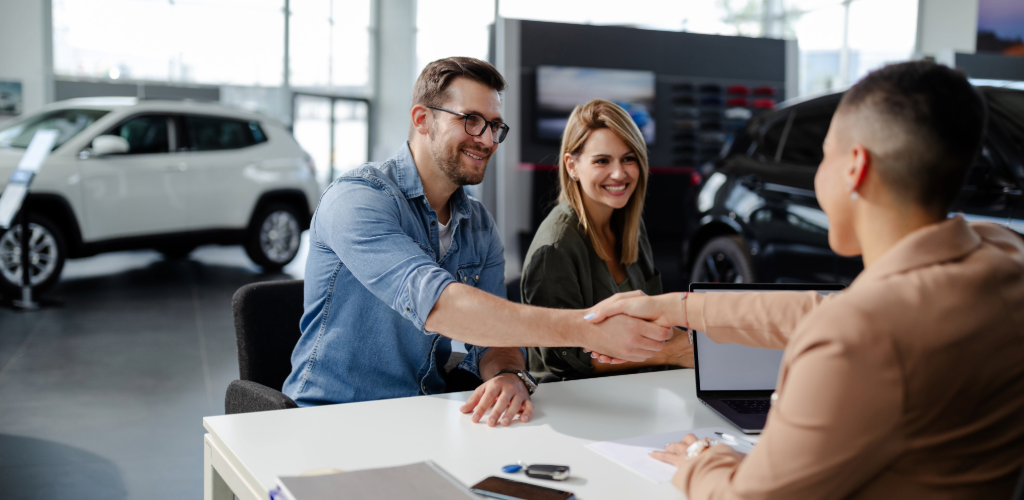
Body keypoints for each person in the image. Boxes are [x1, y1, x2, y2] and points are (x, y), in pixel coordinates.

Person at [587, 61, 1024, 498]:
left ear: (855, 166)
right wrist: (676, 307)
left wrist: (702, 459)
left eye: (823, 155)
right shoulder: (1003, 252)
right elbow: (829, 309)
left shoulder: (859, 337)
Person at [282, 57, 672, 427]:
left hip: (421, 415)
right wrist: (587, 330)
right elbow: (440, 306)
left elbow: (494, 341)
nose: (486, 139)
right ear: (422, 119)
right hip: (331, 418)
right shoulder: (358, 200)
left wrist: (507, 374)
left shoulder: (479, 225)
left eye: (494, 126)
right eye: (471, 121)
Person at [521, 99, 693, 380]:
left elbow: (654, 319)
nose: (619, 173)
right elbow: (565, 361)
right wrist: (673, 352)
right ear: (572, 166)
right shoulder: (555, 248)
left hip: (639, 390)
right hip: (579, 405)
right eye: (602, 160)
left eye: (629, 158)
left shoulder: (629, 226)